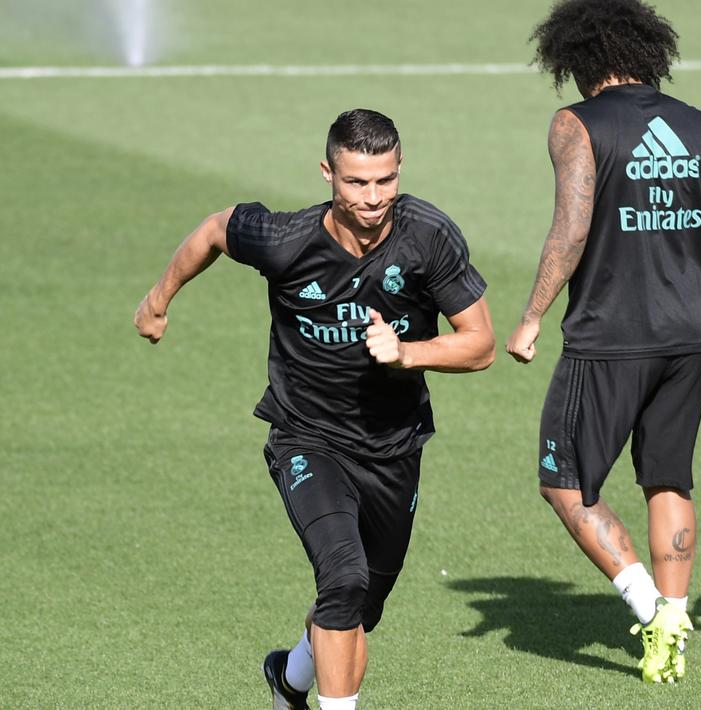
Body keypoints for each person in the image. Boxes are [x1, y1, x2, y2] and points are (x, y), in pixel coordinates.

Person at [133, 109, 495, 709]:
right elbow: (216, 230)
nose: (373, 198)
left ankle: (287, 681)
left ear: (400, 168)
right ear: (328, 173)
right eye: (356, 182)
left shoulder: (429, 236)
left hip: (393, 448)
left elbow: (480, 344)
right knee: (343, 580)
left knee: (360, 607)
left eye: (385, 180)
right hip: (307, 440)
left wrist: (407, 352)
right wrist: (158, 298)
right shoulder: (286, 240)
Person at [506, 0, 701, 684]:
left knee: (564, 481)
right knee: (667, 479)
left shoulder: (576, 125)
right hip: (686, 340)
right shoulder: (695, 125)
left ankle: (649, 605)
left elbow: (571, 228)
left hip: (607, 339)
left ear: (575, 57)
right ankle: (674, 617)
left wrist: (532, 315)